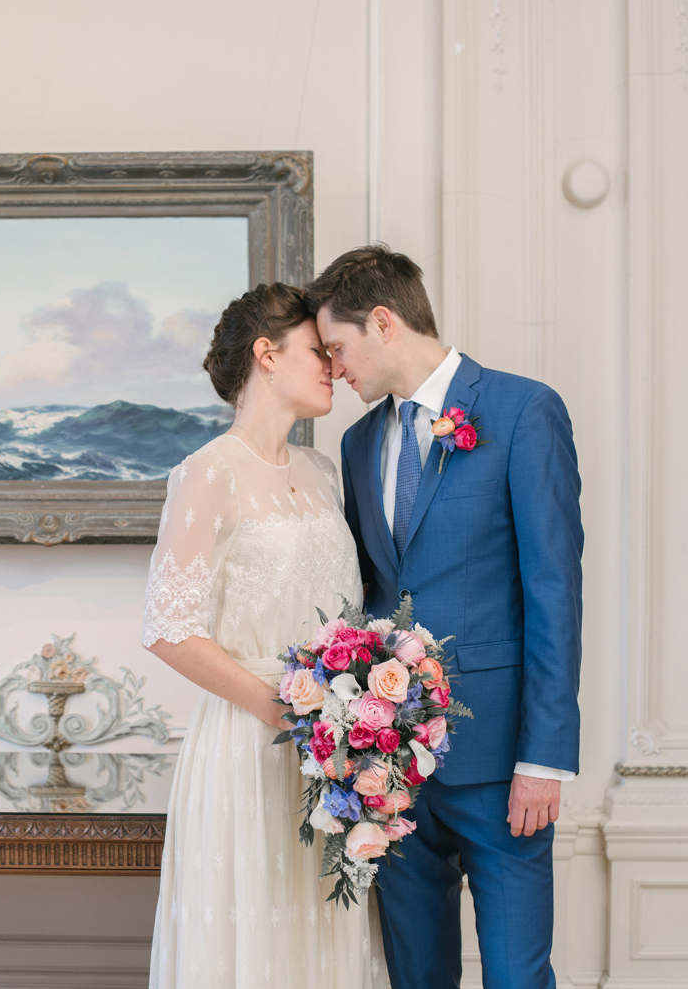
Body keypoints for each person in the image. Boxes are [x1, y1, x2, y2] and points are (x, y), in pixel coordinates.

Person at [308, 245, 583, 989]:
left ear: (385, 322)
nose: (334, 371)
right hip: (392, 770)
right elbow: (371, 596)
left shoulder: (524, 410)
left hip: (502, 764)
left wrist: (544, 758)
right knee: (416, 977)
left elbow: (554, 589)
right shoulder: (360, 441)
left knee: (518, 979)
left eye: (338, 347)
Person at [141, 282, 387, 989]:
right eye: (317, 352)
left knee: (323, 923)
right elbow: (168, 628)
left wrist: (347, 722)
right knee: (251, 935)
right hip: (249, 746)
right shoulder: (206, 473)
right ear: (266, 354)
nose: (334, 368)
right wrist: (278, 709)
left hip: (331, 752)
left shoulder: (322, 472)